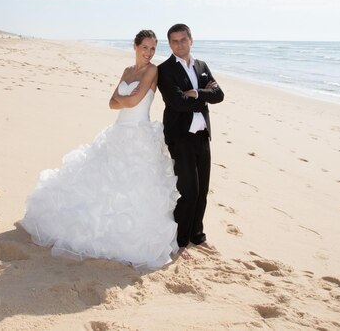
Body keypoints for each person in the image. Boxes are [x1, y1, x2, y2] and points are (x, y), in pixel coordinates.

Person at [21, 30, 179, 270]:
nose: (148, 53)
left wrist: (121, 98)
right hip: (118, 133)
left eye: (153, 49)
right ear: (135, 46)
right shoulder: (128, 71)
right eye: (145, 47)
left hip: (139, 135)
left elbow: (131, 102)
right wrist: (121, 98)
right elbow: (111, 103)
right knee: (102, 182)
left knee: (133, 187)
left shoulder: (152, 71)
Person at [157, 24, 224, 252]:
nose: (179, 44)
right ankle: (180, 241)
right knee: (188, 192)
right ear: (170, 44)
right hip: (179, 137)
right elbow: (177, 103)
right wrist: (204, 96)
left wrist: (196, 93)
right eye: (174, 41)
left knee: (202, 190)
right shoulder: (164, 70)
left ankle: (197, 235)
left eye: (183, 40)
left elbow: (219, 95)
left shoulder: (202, 66)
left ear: (191, 40)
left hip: (202, 136)